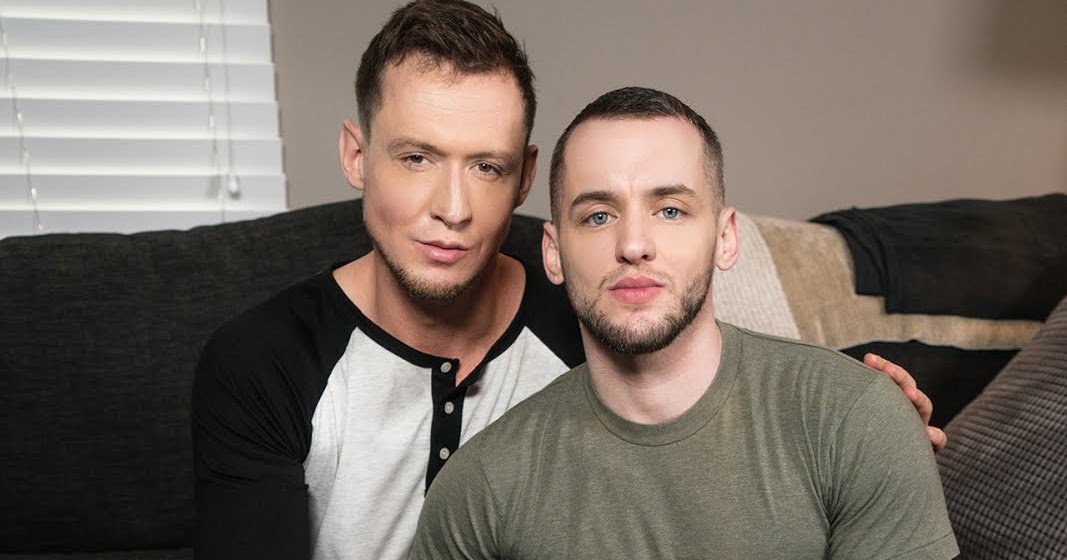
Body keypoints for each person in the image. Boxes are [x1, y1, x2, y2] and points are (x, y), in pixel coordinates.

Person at [191, 2, 944, 559]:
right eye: (416, 158)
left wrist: (867, 412)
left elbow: (720, 375)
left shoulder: (595, 309)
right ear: (357, 157)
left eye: (486, 166)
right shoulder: (265, 361)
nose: (452, 208)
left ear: (523, 177)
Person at [409, 86, 960, 559]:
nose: (633, 244)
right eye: (598, 215)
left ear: (725, 238)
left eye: (670, 210)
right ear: (553, 253)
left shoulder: (855, 421)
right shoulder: (480, 489)